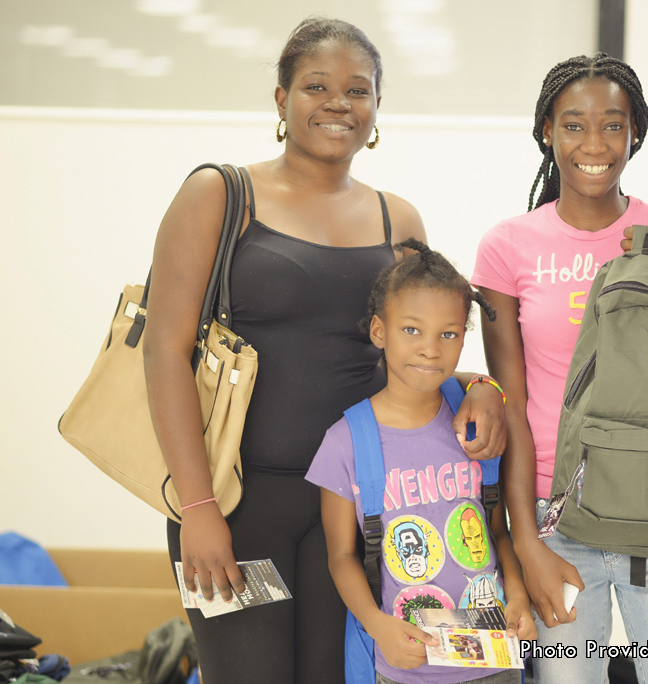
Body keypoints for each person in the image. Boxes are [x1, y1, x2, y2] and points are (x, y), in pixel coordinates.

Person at [143, 17, 505, 684]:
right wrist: (196, 510)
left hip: (356, 512)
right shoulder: (219, 196)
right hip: (234, 506)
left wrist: (485, 388)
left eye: (357, 90)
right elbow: (163, 352)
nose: (338, 103)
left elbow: (419, 357)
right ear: (282, 100)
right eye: (317, 86)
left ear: (375, 109)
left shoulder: (400, 222)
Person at [472, 54, 648, 684]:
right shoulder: (508, 248)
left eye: (613, 125)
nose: (594, 144)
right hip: (557, 518)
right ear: (547, 132)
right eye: (574, 125)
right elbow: (512, 403)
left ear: (635, 132)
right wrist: (526, 542)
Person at [307, 240, 535, 684]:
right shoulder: (346, 443)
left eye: (447, 334)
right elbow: (341, 557)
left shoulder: (476, 424)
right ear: (379, 331)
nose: (431, 349)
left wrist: (519, 594)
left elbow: (496, 531)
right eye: (412, 330)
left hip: (491, 659)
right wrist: (378, 627)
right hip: (406, 667)